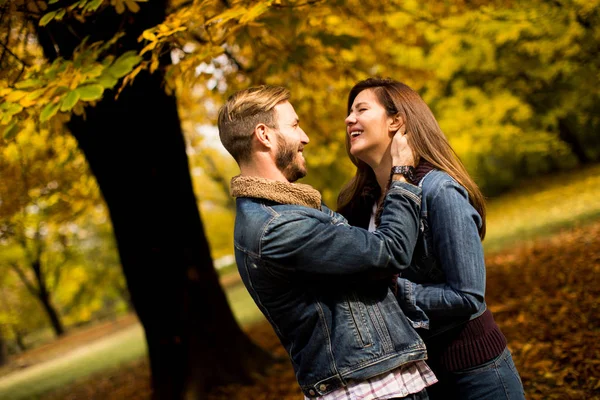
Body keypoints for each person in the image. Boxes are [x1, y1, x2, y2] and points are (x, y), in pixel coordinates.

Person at [217, 85, 437, 399]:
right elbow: (390, 251)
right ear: (264, 135)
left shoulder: (286, 210)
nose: (304, 137)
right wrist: (401, 173)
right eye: (293, 126)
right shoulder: (280, 226)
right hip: (369, 390)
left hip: (380, 381)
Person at [338, 78, 525, 400]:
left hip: (475, 374)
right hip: (414, 378)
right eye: (349, 112)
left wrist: (390, 290)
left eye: (361, 109)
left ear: (396, 121)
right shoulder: (359, 203)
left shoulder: (439, 190)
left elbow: (468, 296)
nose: (349, 119)